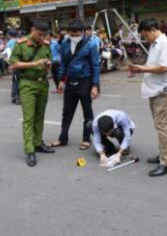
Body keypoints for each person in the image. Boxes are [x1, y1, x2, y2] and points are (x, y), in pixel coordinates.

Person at [128, 18, 167, 177]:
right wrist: (139, 68)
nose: (145, 39)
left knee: (162, 126)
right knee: (160, 125)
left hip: (163, 90)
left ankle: (166, 162)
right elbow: (154, 65)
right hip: (155, 90)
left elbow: (164, 67)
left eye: (145, 35)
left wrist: (142, 68)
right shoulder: (155, 44)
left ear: (152, 30)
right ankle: (164, 154)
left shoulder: (166, 44)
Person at [9, 20, 55, 167]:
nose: (42, 38)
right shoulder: (21, 44)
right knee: (29, 118)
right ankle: (30, 150)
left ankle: (37, 142)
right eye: (40, 34)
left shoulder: (46, 45)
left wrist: (48, 65)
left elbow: (50, 62)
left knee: (40, 115)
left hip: (43, 83)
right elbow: (13, 64)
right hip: (27, 84)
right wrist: (34, 63)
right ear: (33, 30)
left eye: (44, 35)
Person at [51, 20, 100, 150]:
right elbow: (63, 64)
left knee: (87, 112)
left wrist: (95, 85)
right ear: (68, 33)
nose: (74, 37)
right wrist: (61, 80)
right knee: (66, 112)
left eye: (77, 34)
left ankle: (86, 139)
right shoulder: (65, 45)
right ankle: (63, 138)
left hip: (85, 82)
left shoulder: (90, 44)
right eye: (72, 34)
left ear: (83, 32)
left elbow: (95, 65)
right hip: (70, 82)